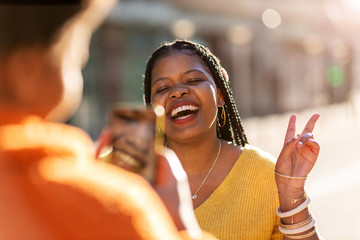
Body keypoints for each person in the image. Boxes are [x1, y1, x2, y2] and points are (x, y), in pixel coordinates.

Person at [0, 2, 216, 240]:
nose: (84, 55)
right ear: (26, 67)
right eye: (77, 46)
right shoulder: (111, 209)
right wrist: (178, 225)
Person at [143, 39, 322, 239]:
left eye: (193, 80)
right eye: (162, 88)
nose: (178, 91)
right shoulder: (119, 170)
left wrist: (292, 197)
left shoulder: (265, 175)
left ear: (220, 94)